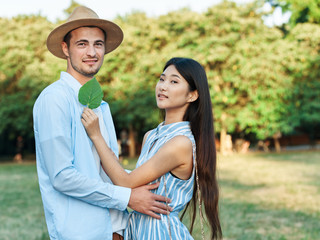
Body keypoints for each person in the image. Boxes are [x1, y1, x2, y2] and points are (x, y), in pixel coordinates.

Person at [33, 6, 171, 240]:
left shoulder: (101, 106)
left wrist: (153, 182)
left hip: (118, 229)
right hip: (82, 233)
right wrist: (128, 197)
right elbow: (62, 176)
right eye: (82, 44)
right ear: (65, 48)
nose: (92, 52)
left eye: (98, 44)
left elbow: (105, 170)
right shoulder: (54, 99)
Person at [82, 57, 223, 239]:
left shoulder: (181, 143)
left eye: (174, 81)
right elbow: (136, 182)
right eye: (162, 79)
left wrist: (96, 135)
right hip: (137, 229)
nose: (163, 86)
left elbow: (126, 182)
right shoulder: (151, 135)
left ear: (192, 95)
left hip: (160, 233)